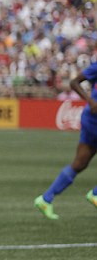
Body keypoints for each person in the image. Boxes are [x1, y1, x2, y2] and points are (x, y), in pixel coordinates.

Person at [34, 61, 97, 220]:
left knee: (79, 163)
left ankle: (46, 199)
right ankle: (95, 194)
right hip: (93, 119)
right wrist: (90, 100)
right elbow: (74, 82)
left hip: (91, 120)